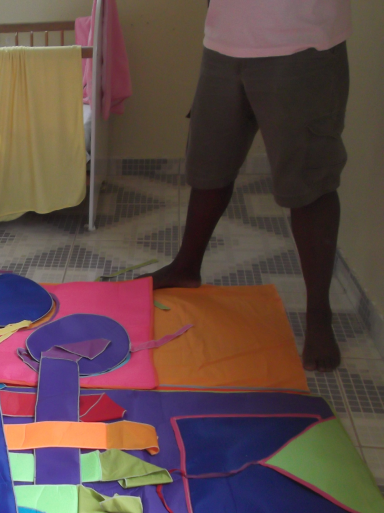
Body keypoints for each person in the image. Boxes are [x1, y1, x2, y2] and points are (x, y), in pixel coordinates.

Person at [149, 0, 351, 372]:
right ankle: (186, 266)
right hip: (224, 42)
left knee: (310, 182)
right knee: (209, 165)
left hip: (302, 44)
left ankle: (319, 314)